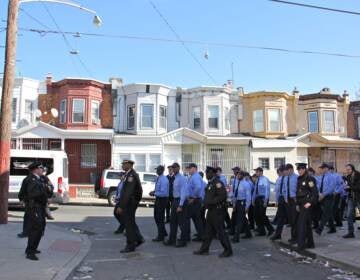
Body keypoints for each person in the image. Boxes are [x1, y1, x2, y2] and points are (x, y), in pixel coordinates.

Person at [193, 166, 233, 258]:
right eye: (206, 173)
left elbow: (222, 196)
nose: (206, 174)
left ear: (213, 173)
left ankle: (228, 250)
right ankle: (204, 249)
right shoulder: (210, 183)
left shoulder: (218, 183)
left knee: (220, 231)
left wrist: (211, 202)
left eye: (208, 173)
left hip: (217, 210)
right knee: (208, 231)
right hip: (211, 210)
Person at [23, 162, 53, 261]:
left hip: (40, 207)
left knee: (40, 229)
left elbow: (48, 190)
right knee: (36, 229)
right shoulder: (31, 179)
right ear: (35, 169)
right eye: (40, 168)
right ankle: (30, 252)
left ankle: (33, 248)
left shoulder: (40, 179)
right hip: (34, 207)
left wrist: (47, 190)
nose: (42, 169)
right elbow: (32, 194)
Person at [115, 160, 144, 253]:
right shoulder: (128, 174)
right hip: (129, 202)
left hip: (130, 203)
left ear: (129, 165)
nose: (122, 165)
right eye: (122, 164)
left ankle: (130, 245)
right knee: (130, 223)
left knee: (128, 224)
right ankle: (139, 239)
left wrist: (121, 206)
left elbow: (128, 192)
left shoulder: (131, 175)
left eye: (124, 164)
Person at [163, 163, 189, 247]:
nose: (173, 169)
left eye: (174, 168)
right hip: (175, 201)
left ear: (178, 168)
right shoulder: (175, 178)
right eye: (172, 168)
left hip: (180, 201)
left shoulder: (182, 178)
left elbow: (183, 192)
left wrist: (180, 205)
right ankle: (172, 239)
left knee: (182, 223)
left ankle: (183, 241)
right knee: (173, 222)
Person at [296, 163, 318, 251]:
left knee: (301, 224)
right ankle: (310, 243)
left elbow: (314, 193)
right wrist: (297, 204)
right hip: (301, 203)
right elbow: (298, 193)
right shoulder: (299, 179)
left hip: (307, 203)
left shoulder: (310, 179)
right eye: (298, 170)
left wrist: (310, 203)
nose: (299, 171)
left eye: (300, 169)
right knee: (307, 224)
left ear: (304, 169)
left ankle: (301, 245)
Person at [315, 163, 336, 235]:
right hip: (321, 196)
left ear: (326, 168)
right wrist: (319, 194)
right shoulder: (321, 177)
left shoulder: (331, 176)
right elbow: (318, 186)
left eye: (323, 168)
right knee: (328, 212)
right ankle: (333, 228)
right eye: (321, 168)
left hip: (329, 197)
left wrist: (323, 195)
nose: (321, 169)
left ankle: (320, 228)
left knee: (326, 213)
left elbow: (331, 188)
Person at [252, 167, 274, 236]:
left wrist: (265, 200)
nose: (256, 173)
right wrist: (253, 199)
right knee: (256, 215)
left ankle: (270, 229)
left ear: (261, 172)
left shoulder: (265, 180)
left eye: (257, 171)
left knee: (262, 215)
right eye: (256, 172)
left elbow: (267, 190)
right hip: (257, 199)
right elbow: (255, 190)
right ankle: (261, 231)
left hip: (263, 199)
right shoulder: (258, 180)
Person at [150, 165, 169, 241]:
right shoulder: (159, 178)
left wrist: (154, 194)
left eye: (158, 170)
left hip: (162, 199)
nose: (156, 171)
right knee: (157, 216)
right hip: (159, 199)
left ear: (161, 170)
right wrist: (154, 191)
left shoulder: (164, 179)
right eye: (156, 170)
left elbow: (163, 193)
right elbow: (159, 189)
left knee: (159, 218)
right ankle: (163, 232)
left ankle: (160, 236)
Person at [232, 171, 252, 242]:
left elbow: (248, 196)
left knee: (239, 220)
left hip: (242, 203)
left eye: (239, 175)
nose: (237, 176)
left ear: (242, 176)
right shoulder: (238, 183)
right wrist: (234, 204)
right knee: (243, 218)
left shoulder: (246, 184)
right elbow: (235, 194)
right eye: (237, 175)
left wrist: (247, 207)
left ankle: (236, 237)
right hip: (237, 202)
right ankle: (248, 233)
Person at [186, 163, 205, 242]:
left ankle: (187, 236)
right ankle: (201, 235)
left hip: (195, 200)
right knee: (196, 219)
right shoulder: (194, 176)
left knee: (189, 218)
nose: (188, 170)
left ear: (194, 168)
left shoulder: (195, 177)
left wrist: (193, 197)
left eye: (189, 168)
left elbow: (198, 187)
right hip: (196, 200)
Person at [343, 164, 360, 238]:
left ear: (352, 169)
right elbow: (348, 187)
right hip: (351, 198)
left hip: (358, 198)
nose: (347, 171)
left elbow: (358, 187)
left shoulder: (358, 175)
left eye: (349, 169)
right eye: (346, 169)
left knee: (358, 214)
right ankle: (351, 232)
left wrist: (350, 187)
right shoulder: (348, 176)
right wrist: (346, 188)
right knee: (349, 215)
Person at [270, 166, 287, 241]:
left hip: (288, 199)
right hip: (281, 199)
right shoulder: (279, 179)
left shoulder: (288, 178)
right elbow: (277, 191)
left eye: (280, 172)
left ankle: (296, 235)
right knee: (281, 218)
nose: (279, 174)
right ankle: (278, 234)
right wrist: (277, 200)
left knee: (293, 218)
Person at [284, 164, 299, 244]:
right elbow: (286, 189)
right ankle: (293, 237)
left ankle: (296, 237)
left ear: (291, 170)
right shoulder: (286, 178)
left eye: (286, 170)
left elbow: (298, 190)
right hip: (288, 200)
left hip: (294, 200)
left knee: (295, 219)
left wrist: (297, 201)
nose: (285, 172)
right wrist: (286, 197)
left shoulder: (296, 178)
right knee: (291, 220)